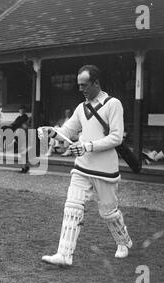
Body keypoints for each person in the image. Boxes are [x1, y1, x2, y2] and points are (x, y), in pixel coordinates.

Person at [38, 65, 132, 266]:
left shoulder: (113, 104)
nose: (81, 89)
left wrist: (87, 146)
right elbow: (68, 131)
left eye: (85, 85)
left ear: (96, 83)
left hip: (105, 169)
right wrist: (51, 131)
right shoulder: (81, 108)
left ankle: (123, 242)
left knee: (109, 213)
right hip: (81, 167)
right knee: (72, 207)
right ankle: (64, 254)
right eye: (79, 85)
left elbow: (116, 137)